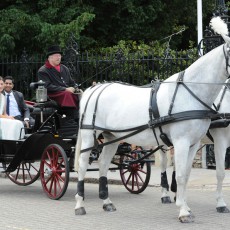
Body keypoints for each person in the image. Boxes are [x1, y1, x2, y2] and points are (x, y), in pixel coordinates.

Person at [37, 45, 79, 111]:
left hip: (65, 93)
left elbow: (71, 82)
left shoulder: (64, 68)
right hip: (53, 94)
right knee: (67, 94)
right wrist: (65, 89)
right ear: (49, 58)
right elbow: (47, 86)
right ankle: (70, 117)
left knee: (80, 94)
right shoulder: (43, 70)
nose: (58, 57)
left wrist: (75, 88)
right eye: (56, 56)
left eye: (59, 55)